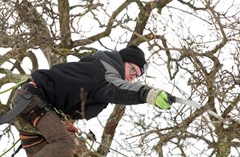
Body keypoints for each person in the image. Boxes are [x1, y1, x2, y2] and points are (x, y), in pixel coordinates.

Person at [9, 45, 175, 157]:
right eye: (132, 70)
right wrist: (149, 94)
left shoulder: (100, 73)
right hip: (32, 100)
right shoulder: (104, 70)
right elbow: (119, 89)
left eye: (136, 76)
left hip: (40, 113)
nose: (133, 77)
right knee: (65, 144)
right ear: (122, 61)